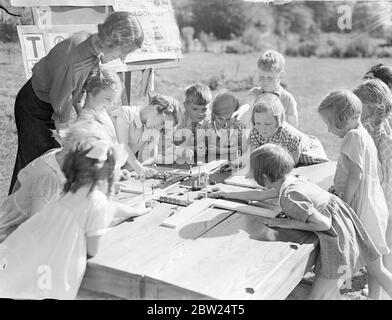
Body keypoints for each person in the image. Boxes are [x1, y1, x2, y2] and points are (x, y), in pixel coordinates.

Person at [212, 144, 392, 300]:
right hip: (348, 223)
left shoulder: (290, 197)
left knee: (318, 296)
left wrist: (288, 223)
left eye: (254, 174)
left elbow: (323, 224)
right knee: (377, 273)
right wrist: (226, 194)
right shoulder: (291, 181)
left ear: (265, 177)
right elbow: (259, 195)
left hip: (338, 239)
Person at [9, 11, 144, 194]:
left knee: (43, 163)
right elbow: (61, 113)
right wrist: (74, 149)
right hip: (34, 107)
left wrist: (86, 121)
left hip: (51, 103)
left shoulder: (92, 46)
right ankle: (16, 215)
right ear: (112, 41)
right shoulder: (74, 61)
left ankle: (26, 210)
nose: (122, 59)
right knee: (40, 164)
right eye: (123, 52)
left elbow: (78, 92)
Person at [0, 138, 127, 299]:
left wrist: (138, 210)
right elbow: (36, 231)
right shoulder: (50, 181)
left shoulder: (78, 188)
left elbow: (107, 207)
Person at [318, 89, 390, 299]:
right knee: (374, 267)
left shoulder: (351, 137)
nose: (329, 130)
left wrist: (344, 206)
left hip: (364, 212)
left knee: (377, 269)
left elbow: (354, 177)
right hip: (376, 208)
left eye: (329, 123)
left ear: (343, 118)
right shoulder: (363, 134)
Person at [353, 79, 392, 297]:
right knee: (376, 260)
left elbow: (383, 178)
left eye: (360, 107)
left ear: (373, 108)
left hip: (383, 208)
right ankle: (375, 296)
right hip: (382, 207)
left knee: (377, 260)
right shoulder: (372, 132)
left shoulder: (381, 139)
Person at [113, 94, 181, 177]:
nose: (159, 128)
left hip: (116, 170)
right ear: (157, 108)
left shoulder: (151, 128)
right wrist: (141, 169)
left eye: (163, 128)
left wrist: (149, 166)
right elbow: (123, 147)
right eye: (163, 122)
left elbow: (147, 158)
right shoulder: (126, 113)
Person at [249, 93, 328, 166]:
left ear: (279, 121)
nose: (262, 128)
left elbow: (293, 162)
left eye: (267, 124)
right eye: (258, 123)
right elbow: (254, 157)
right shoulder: (256, 131)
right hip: (283, 155)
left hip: (306, 152)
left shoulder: (289, 135)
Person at [233, 49, 299, 128]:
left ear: (281, 76)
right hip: (256, 139)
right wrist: (241, 110)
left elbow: (294, 126)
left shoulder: (287, 99)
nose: (265, 81)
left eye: (270, 78)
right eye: (261, 77)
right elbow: (247, 102)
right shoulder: (255, 93)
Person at [78, 65, 123, 143]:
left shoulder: (102, 114)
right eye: (108, 99)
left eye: (112, 100)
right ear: (92, 93)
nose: (111, 104)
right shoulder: (86, 123)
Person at [205, 90, 247, 162]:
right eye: (220, 118)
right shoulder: (211, 126)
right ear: (214, 115)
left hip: (233, 161)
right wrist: (227, 132)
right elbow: (213, 150)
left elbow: (244, 147)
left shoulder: (237, 125)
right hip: (214, 162)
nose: (225, 123)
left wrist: (221, 150)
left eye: (228, 119)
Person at [175, 83, 212, 163]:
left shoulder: (209, 120)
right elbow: (174, 145)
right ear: (186, 106)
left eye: (204, 109)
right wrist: (194, 148)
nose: (200, 113)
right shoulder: (181, 119)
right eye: (195, 109)